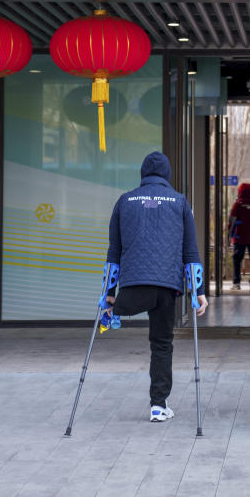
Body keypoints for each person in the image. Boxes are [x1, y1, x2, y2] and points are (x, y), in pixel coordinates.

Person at [103, 151, 208, 423]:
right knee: (161, 343)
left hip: (132, 289)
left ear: (143, 174)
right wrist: (199, 293)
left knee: (115, 314)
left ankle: (113, 315)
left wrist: (108, 296)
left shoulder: (125, 201)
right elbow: (190, 252)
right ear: (167, 175)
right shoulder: (180, 202)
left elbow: (114, 252)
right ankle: (158, 406)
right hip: (165, 287)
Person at [228, 183, 250, 292]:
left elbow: (232, 221)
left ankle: (236, 283)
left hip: (240, 237)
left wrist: (230, 235)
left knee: (237, 259)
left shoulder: (238, 205)